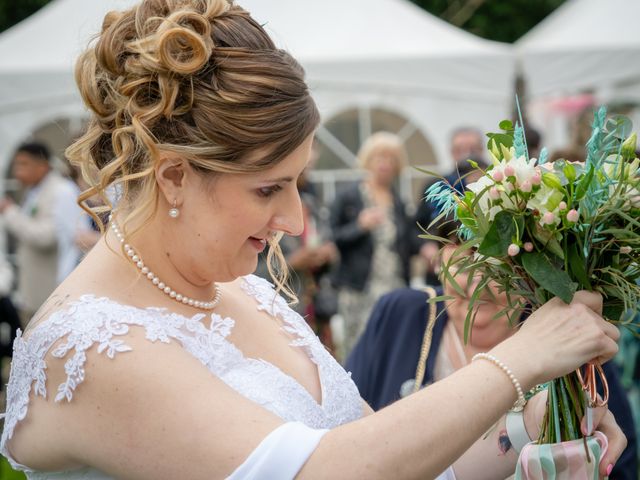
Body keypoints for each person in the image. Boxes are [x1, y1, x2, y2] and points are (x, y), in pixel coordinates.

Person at [0, 2, 626, 479]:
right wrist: (519, 361)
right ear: (173, 176)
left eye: (297, 184)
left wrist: (528, 426)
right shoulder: (87, 350)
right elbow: (324, 469)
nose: (296, 222)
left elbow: (391, 457)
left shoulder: (248, 294)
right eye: (269, 189)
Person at [347, 240, 638, 479]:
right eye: (464, 264)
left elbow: (619, 459)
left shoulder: (567, 338)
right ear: (439, 263)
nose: (476, 289)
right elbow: (343, 425)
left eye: (494, 271)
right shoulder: (400, 315)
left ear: (527, 275)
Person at [329, 132, 412, 360]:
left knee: (390, 345)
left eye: (391, 158)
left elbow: (409, 240)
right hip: (358, 287)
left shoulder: (398, 200)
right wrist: (359, 226)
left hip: (393, 284)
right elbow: (332, 236)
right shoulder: (349, 196)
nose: (385, 163)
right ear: (368, 160)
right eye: (379, 157)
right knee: (357, 348)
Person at [0, 142, 85, 323]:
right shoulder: (34, 190)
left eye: (23, 164)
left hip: (53, 291)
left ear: (42, 165)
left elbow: (47, 237)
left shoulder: (61, 190)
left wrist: (10, 212)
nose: (17, 171)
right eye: (16, 165)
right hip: (34, 291)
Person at [412, 127, 487, 285]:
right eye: (460, 149)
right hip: (442, 275)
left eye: (473, 149)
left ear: (482, 150)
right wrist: (426, 247)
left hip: (487, 275)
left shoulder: (495, 182)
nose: (467, 154)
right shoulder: (436, 186)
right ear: (451, 152)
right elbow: (415, 226)